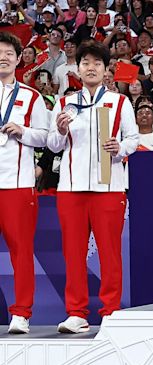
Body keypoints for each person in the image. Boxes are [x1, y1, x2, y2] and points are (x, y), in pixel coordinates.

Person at [47, 40, 138, 333]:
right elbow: (53, 144)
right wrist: (60, 131)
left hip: (109, 187)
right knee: (73, 253)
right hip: (71, 187)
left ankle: (111, 310)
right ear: (78, 69)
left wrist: (120, 146)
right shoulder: (65, 103)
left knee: (110, 252)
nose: (91, 68)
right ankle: (76, 313)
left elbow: (134, 139)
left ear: (106, 69)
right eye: (86, 63)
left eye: (97, 63)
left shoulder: (119, 102)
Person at [0, 32, 49, 334]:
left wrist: (23, 131)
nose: (3, 56)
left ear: (18, 60)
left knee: (21, 251)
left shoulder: (32, 97)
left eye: (8, 52)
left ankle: (21, 313)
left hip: (17, 184)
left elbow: (46, 138)